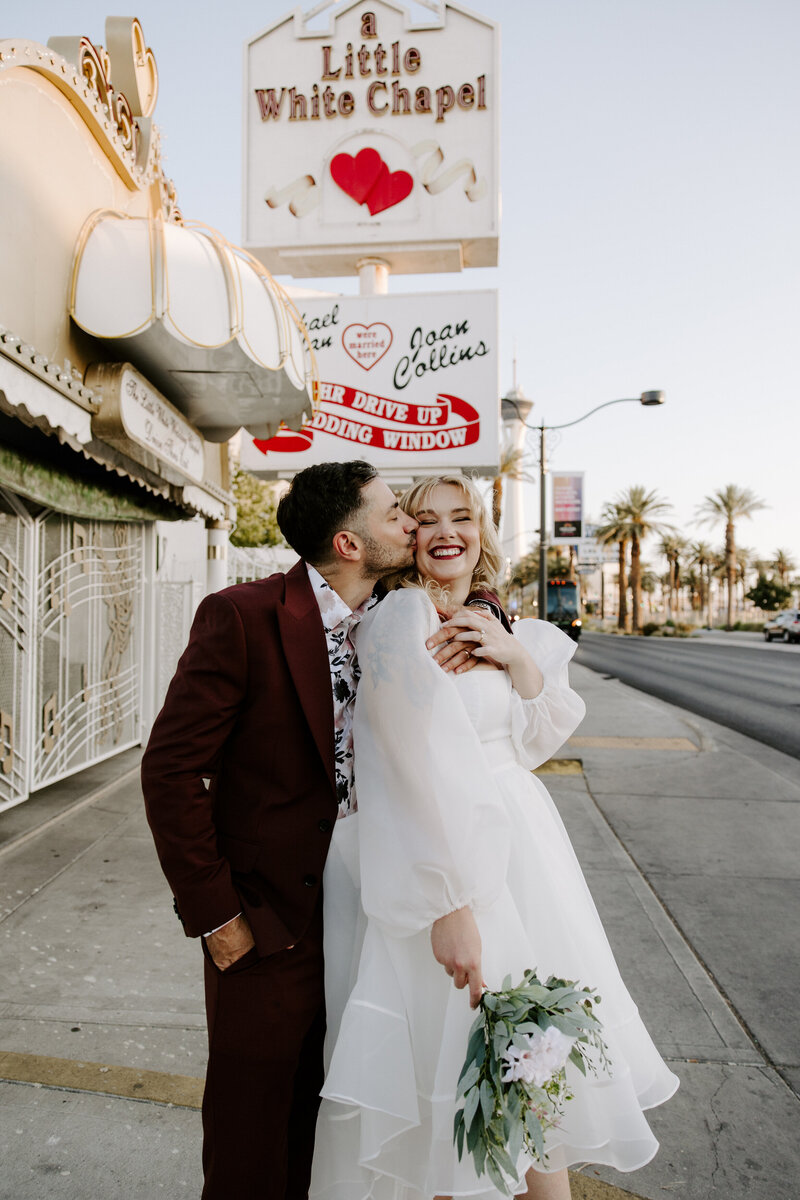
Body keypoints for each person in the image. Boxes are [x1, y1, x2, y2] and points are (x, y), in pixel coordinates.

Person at [310, 474, 679, 1200]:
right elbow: (400, 769)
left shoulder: (504, 622)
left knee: (533, 1075)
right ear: (406, 535)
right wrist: (448, 902)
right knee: (454, 1081)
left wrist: (514, 657)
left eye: (463, 517)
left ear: (481, 530)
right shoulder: (398, 617)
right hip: (443, 860)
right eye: (426, 518)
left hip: (526, 859)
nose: (448, 531)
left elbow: (535, 740)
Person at [141, 461, 424, 1200]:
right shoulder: (242, 615)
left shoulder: (401, 616)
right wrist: (217, 914)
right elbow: (171, 770)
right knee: (251, 1133)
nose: (412, 522)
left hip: (371, 921)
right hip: (268, 921)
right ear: (349, 542)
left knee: (332, 1121)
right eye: (394, 512)